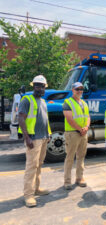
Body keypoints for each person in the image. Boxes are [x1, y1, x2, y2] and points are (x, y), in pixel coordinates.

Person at [18, 75, 52, 207]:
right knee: (31, 166)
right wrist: (27, 137)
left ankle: (37, 188)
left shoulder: (43, 101)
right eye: (37, 85)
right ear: (33, 86)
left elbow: (45, 120)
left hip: (43, 137)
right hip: (33, 138)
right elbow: (21, 118)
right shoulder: (27, 100)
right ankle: (28, 195)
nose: (40, 88)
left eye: (42, 86)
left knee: (39, 164)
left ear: (45, 88)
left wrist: (48, 134)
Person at [63, 82, 90, 190]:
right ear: (72, 90)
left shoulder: (84, 103)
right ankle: (67, 181)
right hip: (73, 133)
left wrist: (86, 128)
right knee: (70, 157)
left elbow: (87, 116)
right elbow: (69, 118)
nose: (79, 91)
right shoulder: (67, 102)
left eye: (81, 89)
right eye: (77, 89)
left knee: (81, 157)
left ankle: (79, 178)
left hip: (83, 133)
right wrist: (80, 129)